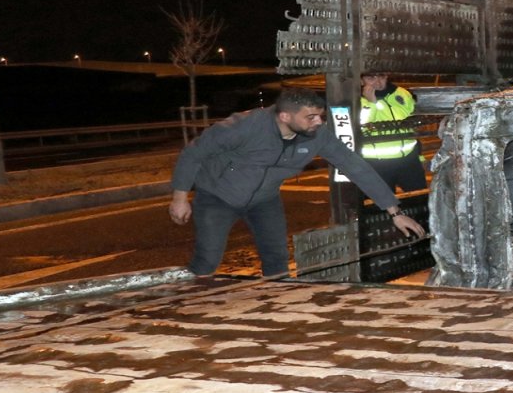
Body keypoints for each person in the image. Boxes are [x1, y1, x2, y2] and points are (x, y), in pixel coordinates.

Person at [168, 87, 425, 278]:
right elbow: (194, 153)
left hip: (264, 199)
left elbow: (354, 165)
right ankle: (188, 310)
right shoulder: (243, 126)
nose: (319, 122)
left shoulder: (317, 135)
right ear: (285, 117)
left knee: (277, 259)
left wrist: (394, 211)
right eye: (311, 117)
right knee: (208, 259)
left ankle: (276, 313)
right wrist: (180, 197)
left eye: (320, 116)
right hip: (218, 196)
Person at [360, 72, 427, 193]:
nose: (377, 81)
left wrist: (419, 157)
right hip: (375, 163)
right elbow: (362, 125)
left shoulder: (402, 93)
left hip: (409, 160)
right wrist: (372, 103)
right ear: (361, 81)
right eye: (370, 78)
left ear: (386, 76)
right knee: (382, 207)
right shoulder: (355, 98)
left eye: (381, 76)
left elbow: (411, 125)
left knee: (420, 199)